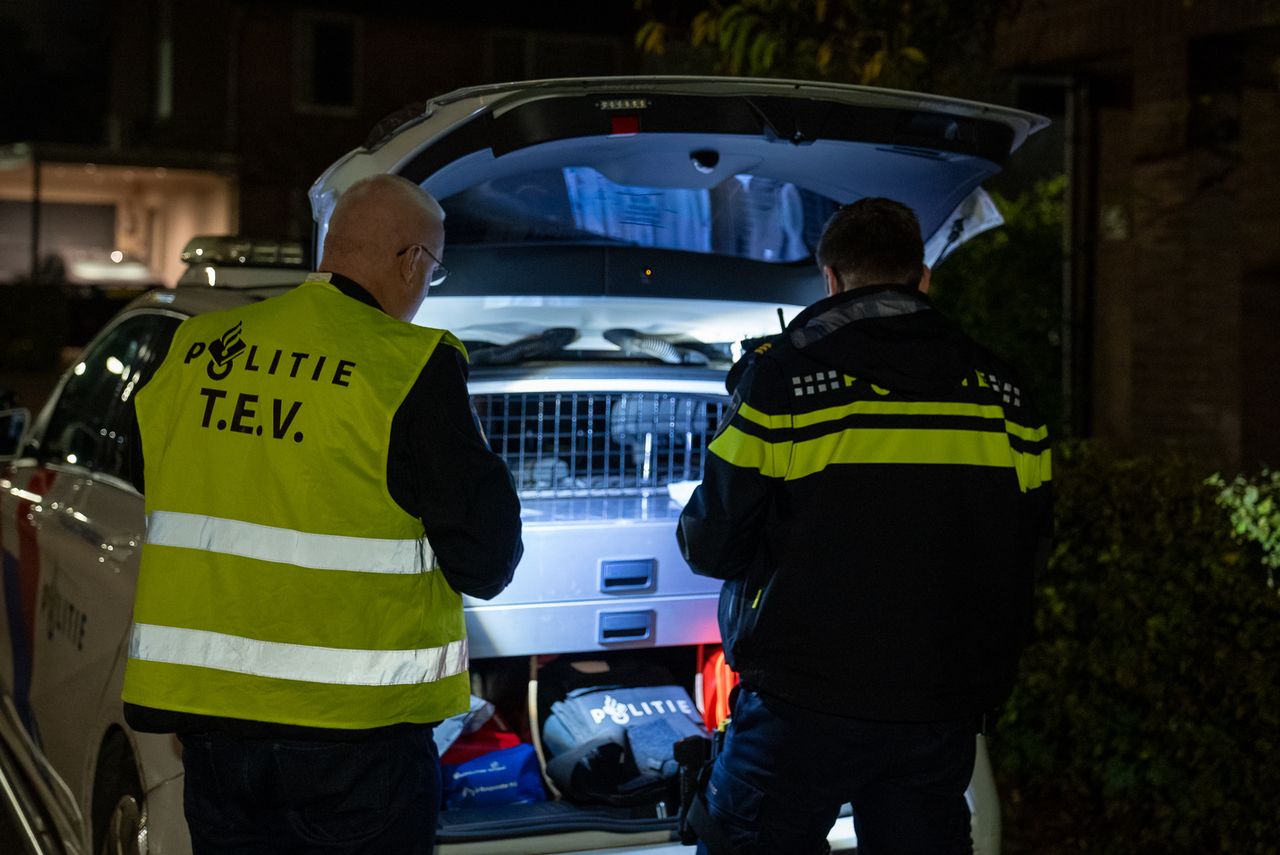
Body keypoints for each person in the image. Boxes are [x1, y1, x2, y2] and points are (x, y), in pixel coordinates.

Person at [122, 175, 523, 854]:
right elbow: (485, 559)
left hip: (214, 736)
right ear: (409, 261)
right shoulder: (407, 365)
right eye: (434, 268)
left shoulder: (196, 348)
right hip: (357, 747)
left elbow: (165, 483)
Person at [677, 197, 1052, 854]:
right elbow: (1028, 544)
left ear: (830, 276)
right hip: (938, 708)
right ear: (923, 276)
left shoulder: (782, 380)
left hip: (799, 707)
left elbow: (710, 543)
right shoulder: (1006, 394)